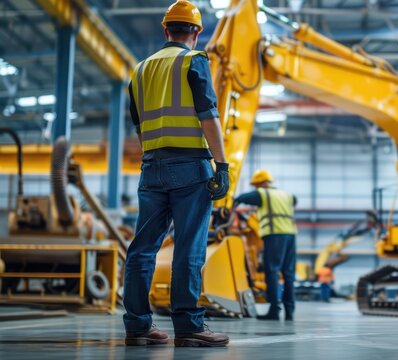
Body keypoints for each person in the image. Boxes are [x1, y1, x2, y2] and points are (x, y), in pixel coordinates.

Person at [123, 0, 230, 347]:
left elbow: (140, 127)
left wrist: (155, 156)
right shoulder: (194, 61)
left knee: (142, 250)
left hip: (151, 166)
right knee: (189, 247)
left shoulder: (140, 71)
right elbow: (208, 116)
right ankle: (189, 326)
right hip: (190, 168)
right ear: (196, 33)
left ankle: (138, 327)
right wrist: (222, 165)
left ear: (166, 30)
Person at [235, 169, 298, 320]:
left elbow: (241, 198)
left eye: (256, 185)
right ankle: (289, 311)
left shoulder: (263, 193)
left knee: (272, 270)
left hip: (274, 234)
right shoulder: (288, 195)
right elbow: (294, 201)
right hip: (290, 234)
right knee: (288, 273)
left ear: (261, 183)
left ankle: (274, 311)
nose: (256, 189)